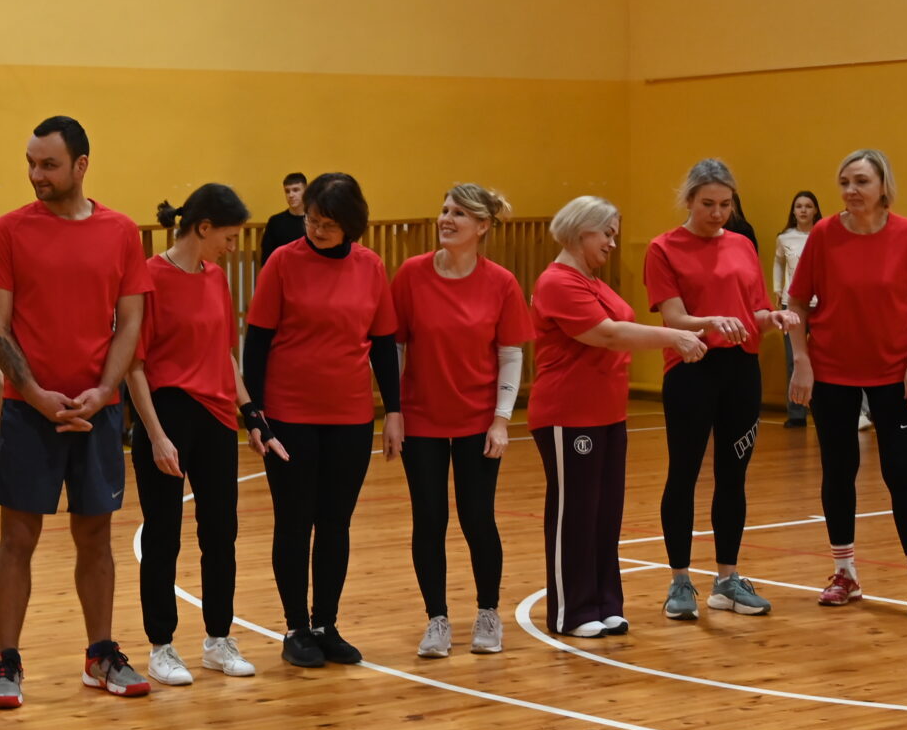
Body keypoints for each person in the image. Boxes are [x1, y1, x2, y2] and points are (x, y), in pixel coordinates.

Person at [0, 114, 153, 707]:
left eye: (48, 164)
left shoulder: (121, 232)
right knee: (17, 538)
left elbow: (130, 322)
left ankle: (100, 655)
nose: (36, 174)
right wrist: (35, 394)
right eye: (30, 163)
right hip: (30, 412)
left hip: (97, 412)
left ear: (81, 165)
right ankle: (5, 663)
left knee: (96, 537)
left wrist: (103, 392)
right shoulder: (7, 232)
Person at [785, 149, 907, 619]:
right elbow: (796, 303)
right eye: (844, 182)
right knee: (839, 471)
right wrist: (802, 360)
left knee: (903, 474)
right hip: (832, 371)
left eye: (860, 181)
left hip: (895, 372)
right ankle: (845, 574)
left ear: (882, 187)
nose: (851, 191)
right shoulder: (823, 234)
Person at [244, 170, 399, 669]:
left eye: (328, 224)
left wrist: (394, 411)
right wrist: (255, 415)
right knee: (294, 522)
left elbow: (382, 344)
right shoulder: (282, 262)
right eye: (311, 220)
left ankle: (325, 624)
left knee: (335, 523)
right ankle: (296, 627)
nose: (316, 230)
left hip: (350, 415)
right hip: (289, 414)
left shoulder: (370, 266)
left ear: (351, 224)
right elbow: (257, 341)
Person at [530, 197, 705, 638]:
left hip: (608, 413)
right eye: (606, 233)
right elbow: (607, 334)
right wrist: (674, 337)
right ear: (581, 231)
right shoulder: (557, 281)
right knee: (575, 512)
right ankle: (571, 611)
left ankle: (605, 602)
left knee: (605, 512)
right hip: (568, 414)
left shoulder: (594, 282)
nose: (612, 242)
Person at [125, 183, 274, 685]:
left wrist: (251, 413)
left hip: (216, 418)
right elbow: (134, 365)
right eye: (228, 237)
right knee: (163, 534)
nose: (232, 247)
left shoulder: (216, 278)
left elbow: (225, 354)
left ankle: (218, 639)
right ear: (203, 227)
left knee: (220, 533)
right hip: (166, 414)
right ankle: (161, 646)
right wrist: (155, 435)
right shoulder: (148, 277)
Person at [645, 161, 798, 622]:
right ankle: (679, 582)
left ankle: (728, 580)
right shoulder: (663, 248)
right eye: (708, 204)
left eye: (725, 205)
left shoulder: (742, 244)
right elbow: (673, 318)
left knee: (733, 476)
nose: (717, 213)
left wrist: (774, 319)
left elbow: (756, 312)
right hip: (692, 368)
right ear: (689, 200)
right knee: (684, 473)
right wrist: (711, 321)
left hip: (741, 371)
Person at [392, 182, 534, 658]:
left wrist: (501, 420)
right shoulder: (411, 275)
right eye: (444, 210)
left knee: (478, 518)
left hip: (478, 421)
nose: (446, 219)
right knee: (429, 519)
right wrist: (394, 411)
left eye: (458, 213)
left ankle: (488, 613)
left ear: (482, 226)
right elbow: (394, 348)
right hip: (421, 421)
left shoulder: (502, 283)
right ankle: (436, 620)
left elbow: (510, 354)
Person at [773, 191, 821, 429]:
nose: (803, 210)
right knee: (794, 358)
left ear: (815, 210)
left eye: (808, 206)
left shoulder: (822, 235)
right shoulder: (784, 238)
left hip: (820, 304)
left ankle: (822, 409)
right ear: (793, 211)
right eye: (799, 206)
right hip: (791, 304)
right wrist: (777, 288)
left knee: (822, 360)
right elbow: (778, 263)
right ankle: (797, 412)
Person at [259, 173, 308, 262]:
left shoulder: (315, 222)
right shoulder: (275, 222)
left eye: (295, 190)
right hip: (282, 268)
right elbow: (267, 257)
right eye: (287, 191)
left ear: (306, 191)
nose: (291, 195)